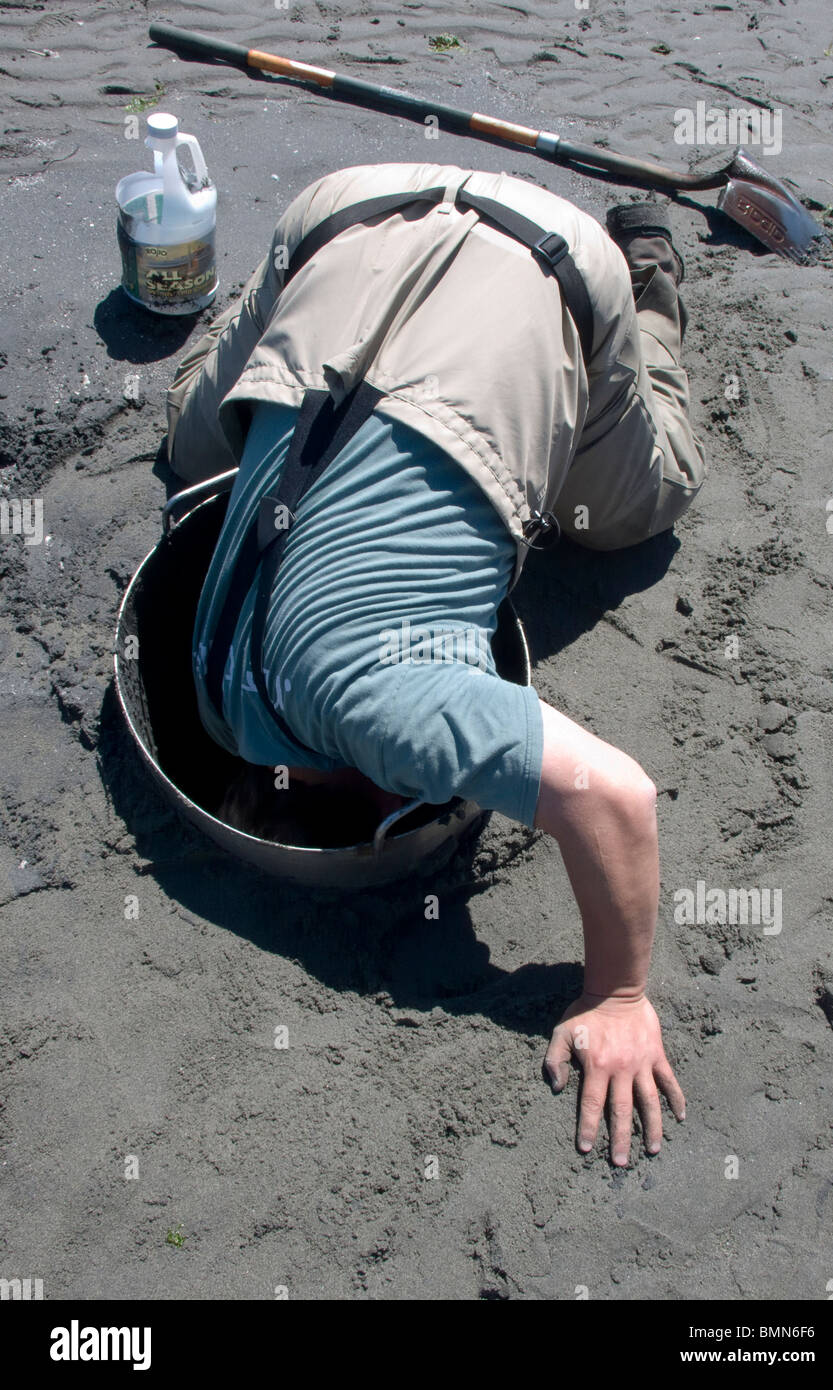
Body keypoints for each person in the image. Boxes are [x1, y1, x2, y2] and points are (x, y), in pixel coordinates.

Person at [164, 162, 705, 1166]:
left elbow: (616, 797)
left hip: (561, 270)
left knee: (642, 502)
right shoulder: (210, 674)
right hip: (351, 208)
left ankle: (653, 290)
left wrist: (619, 992)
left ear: (377, 784)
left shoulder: (378, 709)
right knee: (196, 444)